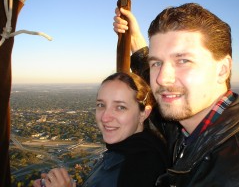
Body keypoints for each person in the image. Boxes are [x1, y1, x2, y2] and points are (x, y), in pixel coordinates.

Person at [113, 3, 239, 187]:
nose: (162, 79)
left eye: (183, 60)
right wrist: (134, 38)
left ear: (223, 69)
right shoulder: (188, 123)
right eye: (157, 63)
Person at [34, 72, 168, 187]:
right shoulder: (125, 150)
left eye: (120, 107)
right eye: (101, 105)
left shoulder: (143, 168)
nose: (105, 117)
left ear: (144, 113)